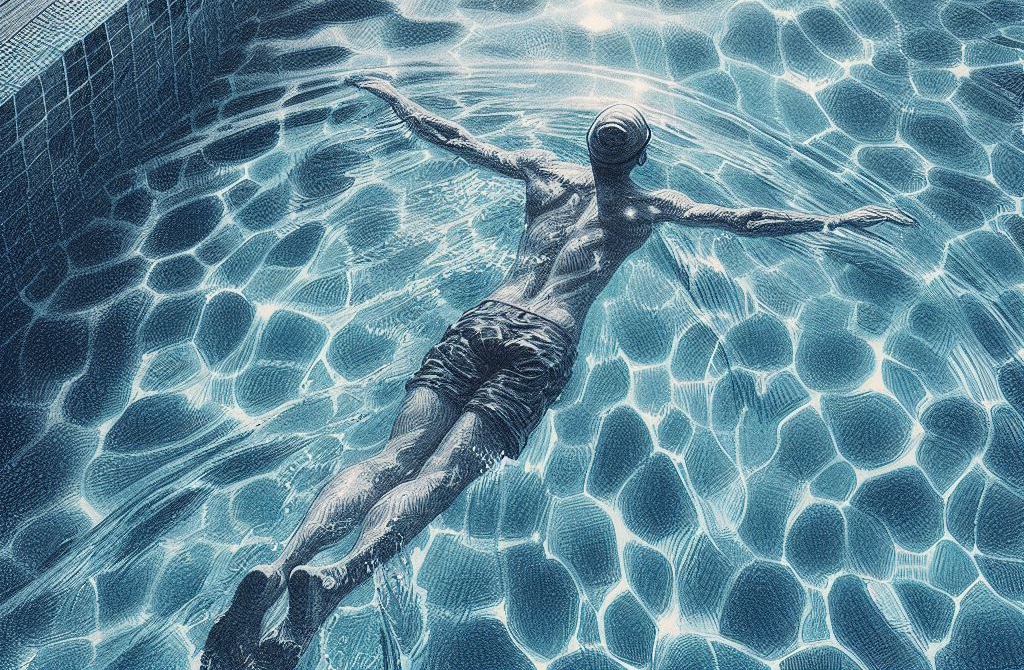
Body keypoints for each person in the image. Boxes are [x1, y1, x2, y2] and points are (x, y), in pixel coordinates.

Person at [203, 76, 916, 670]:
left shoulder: (544, 171)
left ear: (586, 143)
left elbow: (451, 135)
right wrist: (835, 219)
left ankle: (281, 567)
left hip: (484, 318)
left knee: (391, 455)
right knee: (440, 479)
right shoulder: (647, 206)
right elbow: (747, 218)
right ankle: (329, 583)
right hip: (543, 341)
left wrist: (394, 96)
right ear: (642, 154)